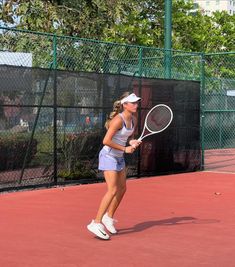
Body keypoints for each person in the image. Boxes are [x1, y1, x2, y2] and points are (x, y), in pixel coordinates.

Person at [87, 92, 142, 240]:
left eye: (137, 102)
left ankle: (108, 217)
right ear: (125, 104)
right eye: (133, 102)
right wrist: (125, 149)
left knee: (123, 188)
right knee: (112, 190)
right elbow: (106, 140)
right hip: (108, 156)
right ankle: (96, 222)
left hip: (119, 158)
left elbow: (126, 137)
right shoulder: (118, 120)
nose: (136, 105)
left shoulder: (134, 120)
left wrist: (131, 142)